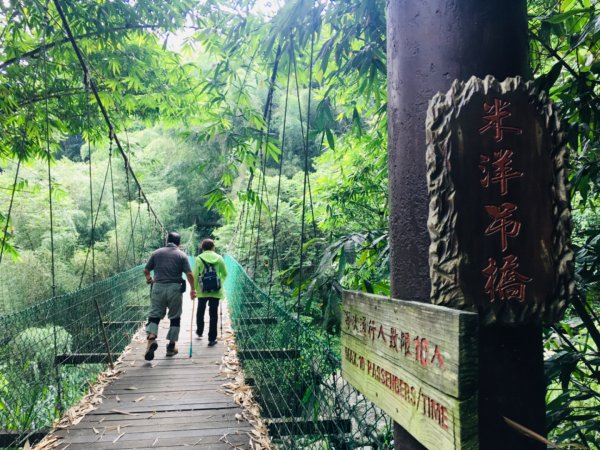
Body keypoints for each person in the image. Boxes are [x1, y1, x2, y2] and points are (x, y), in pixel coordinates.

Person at [143, 231, 196, 360]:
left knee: (154, 315)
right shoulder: (181, 255)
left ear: (167, 241)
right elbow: (189, 274)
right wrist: (192, 290)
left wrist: (149, 278)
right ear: (179, 243)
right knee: (175, 317)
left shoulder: (156, 253)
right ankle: (171, 348)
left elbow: (146, 270)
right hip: (174, 289)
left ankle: (151, 338)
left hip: (158, 287)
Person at [193, 238, 227, 347]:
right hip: (215, 292)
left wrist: (193, 289)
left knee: (200, 311)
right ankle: (212, 339)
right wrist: (219, 282)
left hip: (202, 290)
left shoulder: (198, 258)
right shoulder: (219, 258)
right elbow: (225, 274)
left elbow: (195, 275)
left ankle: (199, 331)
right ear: (213, 247)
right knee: (213, 314)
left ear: (202, 248)